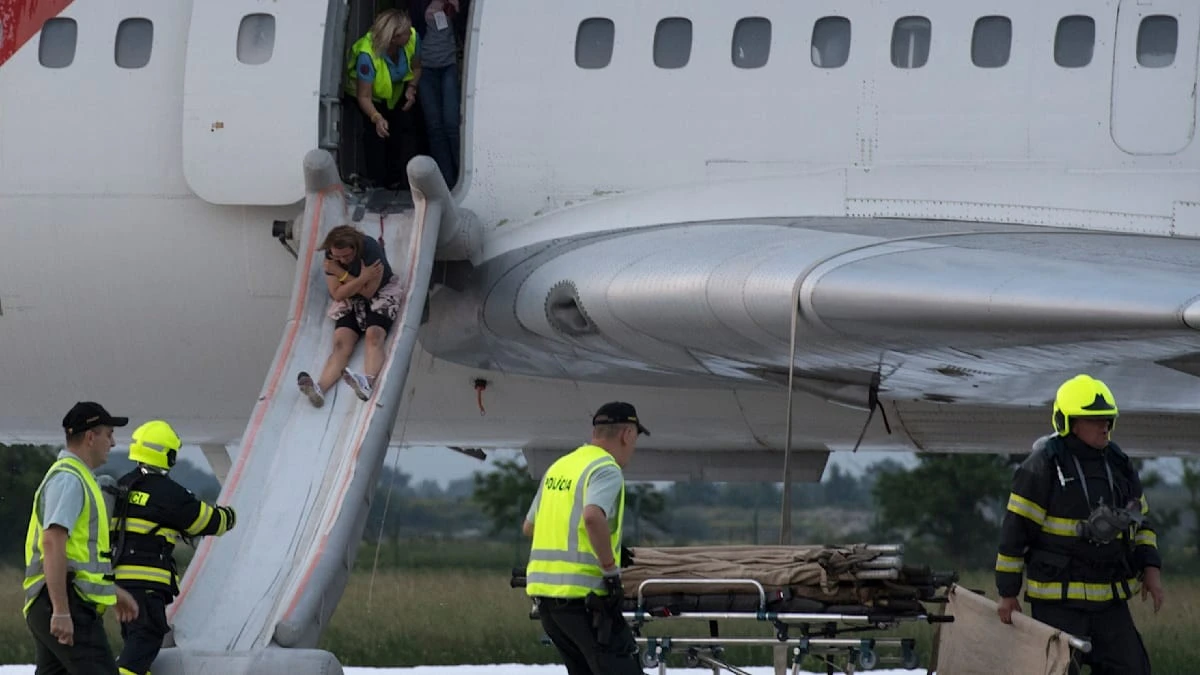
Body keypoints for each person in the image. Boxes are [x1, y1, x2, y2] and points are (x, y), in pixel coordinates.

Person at [995, 374, 1164, 675]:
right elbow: (1015, 533)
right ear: (1070, 422)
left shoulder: (1118, 464)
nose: (1105, 427)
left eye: (1108, 419)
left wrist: (1150, 569)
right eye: (1095, 419)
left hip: (1109, 603)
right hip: (1058, 603)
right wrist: (1008, 593)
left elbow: (1143, 522)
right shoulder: (1041, 467)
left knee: (1133, 669)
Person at [523, 402, 650, 675]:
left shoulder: (560, 467)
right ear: (627, 434)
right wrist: (610, 569)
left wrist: (600, 543)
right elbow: (592, 517)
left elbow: (530, 526)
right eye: (635, 439)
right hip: (587, 603)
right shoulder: (605, 469)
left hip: (548, 604)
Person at [108, 420, 238, 675]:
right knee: (147, 638)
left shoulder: (123, 485)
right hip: (146, 585)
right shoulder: (167, 492)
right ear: (167, 454)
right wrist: (232, 515)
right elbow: (207, 521)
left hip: (119, 583)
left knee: (135, 645)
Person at [23, 402, 140, 675]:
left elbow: (81, 560)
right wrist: (62, 610)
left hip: (53, 600)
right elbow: (52, 542)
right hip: (66, 603)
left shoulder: (78, 479)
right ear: (90, 437)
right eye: (108, 434)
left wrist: (112, 592)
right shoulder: (69, 480)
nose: (113, 442)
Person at [298, 224, 403, 407]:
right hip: (351, 299)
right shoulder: (332, 257)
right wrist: (361, 278)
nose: (342, 260)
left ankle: (367, 382)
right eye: (338, 257)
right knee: (340, 344)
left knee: (374, 335)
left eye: (347, 256)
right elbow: (337, 294)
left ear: (355, 248)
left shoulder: (370, 251)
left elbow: (370, 292)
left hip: (382, 293)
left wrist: (341, 274)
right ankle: (320, 389)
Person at [345, 8, 423, 190]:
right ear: (394, 38)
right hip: (371, 99)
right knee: (376, 138)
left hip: (396, 93)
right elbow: (363, 96)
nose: (410, 33)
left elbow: (417, 67)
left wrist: (412, 88)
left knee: (403, 134)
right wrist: (377, 117)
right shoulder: (368, 55)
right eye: (405, 33)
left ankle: (401, 182)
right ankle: (378, 186)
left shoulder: (412, 38)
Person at [417, 0, 462, 188]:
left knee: (452, 123)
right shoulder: (418, 4)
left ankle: (463, 174)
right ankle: (447, 182)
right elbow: (412, 31)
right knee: (435, 127)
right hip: (424, 68)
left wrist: (456, 10)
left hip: (449, 65)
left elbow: (467, 30)